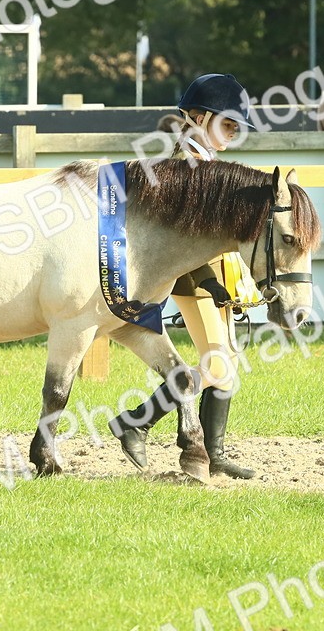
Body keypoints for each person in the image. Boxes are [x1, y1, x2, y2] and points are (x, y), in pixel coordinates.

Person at [108, 73, 259, 479]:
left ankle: (211, 452)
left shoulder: (205, 163)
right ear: (196, 117)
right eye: (227, 123)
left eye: (235, 126)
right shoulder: (183, 166)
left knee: (224, 362)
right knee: (218, 366)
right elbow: (184, 239)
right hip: (194, 280)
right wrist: (212, 281)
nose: (233, 133)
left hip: (213, 276)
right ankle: (136, 421)